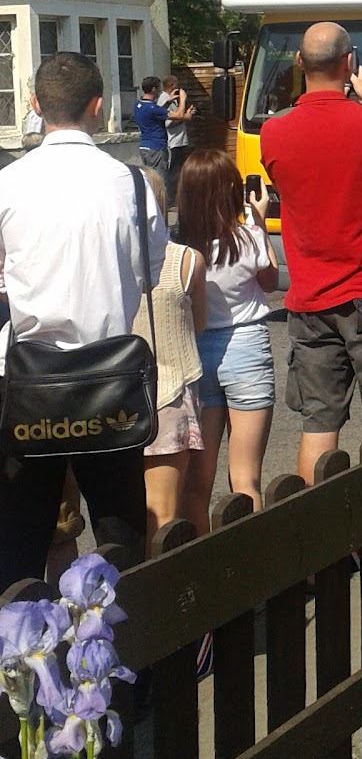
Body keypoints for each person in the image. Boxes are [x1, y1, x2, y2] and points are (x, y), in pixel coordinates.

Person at [0, 52, 167, 586]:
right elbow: (150, 272)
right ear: (99, 106)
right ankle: (122, 656)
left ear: (34, 106)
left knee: (20, 539)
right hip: (109, 379)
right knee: (120, 535)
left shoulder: (8, 183)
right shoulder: (131, 183)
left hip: (30, 380)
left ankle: (21, 658)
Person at [260, 22, 362, 487]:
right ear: (348, 63)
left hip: (310, 298)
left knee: (318, 425)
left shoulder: (274, 133)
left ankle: (323, 552)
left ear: (298, 63)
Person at [177, 150, 276, 524]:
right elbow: (269, 281)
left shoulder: (181, 250)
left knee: (197, 484)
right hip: (247, 347)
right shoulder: (248, 239)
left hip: (199, 351)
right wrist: (259, 222)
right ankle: (252, 565)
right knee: (246, 478)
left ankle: (203, 567)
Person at [133, 168, 207, 548]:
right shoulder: (188, 259)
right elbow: (199, 324)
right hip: (172, 392)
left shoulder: (109, 261)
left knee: (122, 516)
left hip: (116, 393)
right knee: (163, 514)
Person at [158, 74, 196, 202]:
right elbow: (168, 122)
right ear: (172, 86)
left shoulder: (171, 99)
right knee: (172, 171)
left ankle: (177, 196)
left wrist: (186, 114)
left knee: (178, 170)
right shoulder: (163, 100)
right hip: (173, 141)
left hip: (179, 140)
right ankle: (171, 198)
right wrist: (185, 117)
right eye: (177, 85)